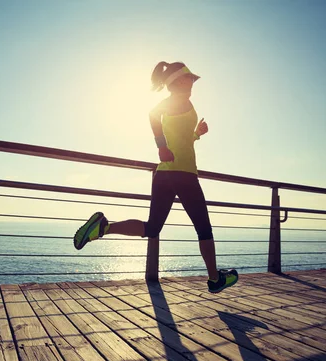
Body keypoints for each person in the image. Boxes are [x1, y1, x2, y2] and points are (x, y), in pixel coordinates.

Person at [73, 61, 238, 293]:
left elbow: (179, 140)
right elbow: (152, 115)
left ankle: (103, 227)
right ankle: (214, 279)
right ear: (177, 82)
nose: (192, 83)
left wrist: (195, 134)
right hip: (183, 175)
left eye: (192, 79)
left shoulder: (180, 104)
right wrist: (160, 145)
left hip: (165, 174)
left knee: (152, 228)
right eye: (188, 78)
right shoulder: (179, 100)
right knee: (204, 229)